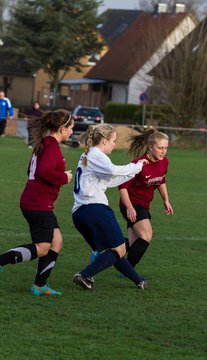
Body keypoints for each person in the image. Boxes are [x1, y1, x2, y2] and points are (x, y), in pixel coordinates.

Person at [0, 109, 73, 296]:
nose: (72, 132)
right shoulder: (52, 146)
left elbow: (31, 171)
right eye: (71, 128)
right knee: (42, 247)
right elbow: (43, 172)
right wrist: (64, 177)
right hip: (38, 203)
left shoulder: (44, 144)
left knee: (56, 241)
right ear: (63, 129)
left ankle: (39, 285)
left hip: (36, 199)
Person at [72, 124, 148, 290]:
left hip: (79, 213)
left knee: (111, 252)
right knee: (119, 248)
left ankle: (139, 280)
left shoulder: (88, 155)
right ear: (105, 141)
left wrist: (133, 172)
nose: (115, 144)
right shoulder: (97, 155)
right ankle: (85, 275)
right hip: (95, 209)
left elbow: (111, 181)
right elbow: (113, 170)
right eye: (114, 141)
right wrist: (137, 166)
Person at [119, 129, 174, 269]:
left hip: (144, 205)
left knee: (133, 244)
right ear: (150, 147)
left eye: (166, 148)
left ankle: (104, 251)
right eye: (160, 148)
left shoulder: (164, 162)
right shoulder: (138, 164)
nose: (164, 151)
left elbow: (161, 180)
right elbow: (122, 187)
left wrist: (166, 200)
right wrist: (130, 208)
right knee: (146, 235)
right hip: (131, 204)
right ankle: (128, 270)